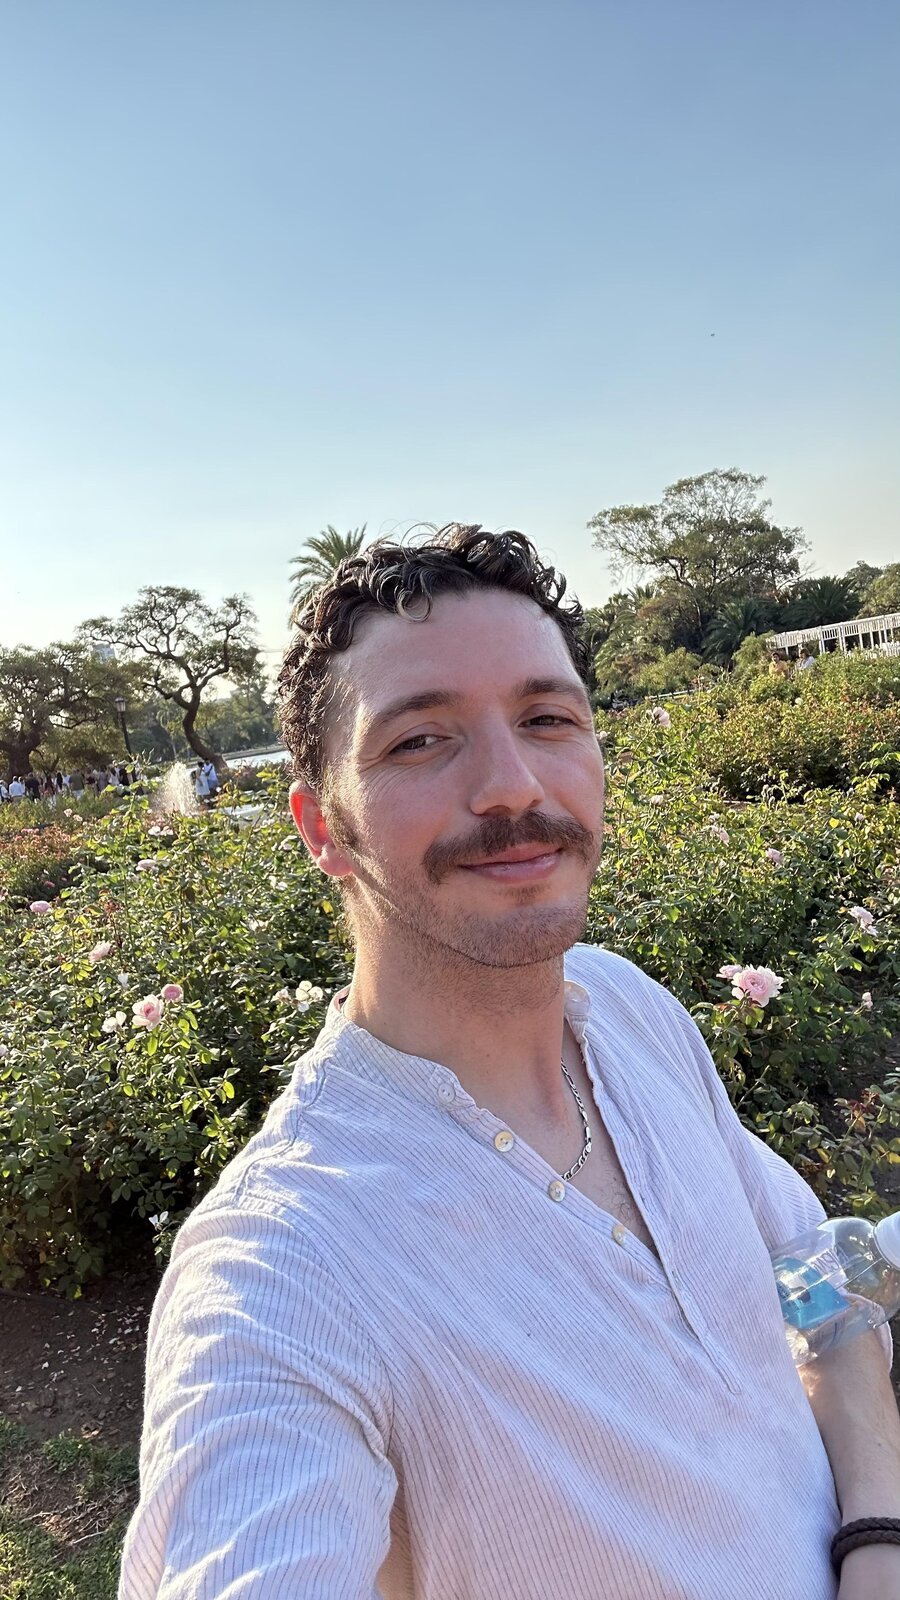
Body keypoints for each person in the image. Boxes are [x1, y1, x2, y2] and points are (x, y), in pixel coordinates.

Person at [119, 526, 900, 1600]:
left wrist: (875, 1530)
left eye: (547, 719)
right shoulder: (281, 1272)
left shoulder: (624, 1011)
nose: (511, 784)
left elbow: (812, 1277)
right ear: (321, 828)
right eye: (419, 740)